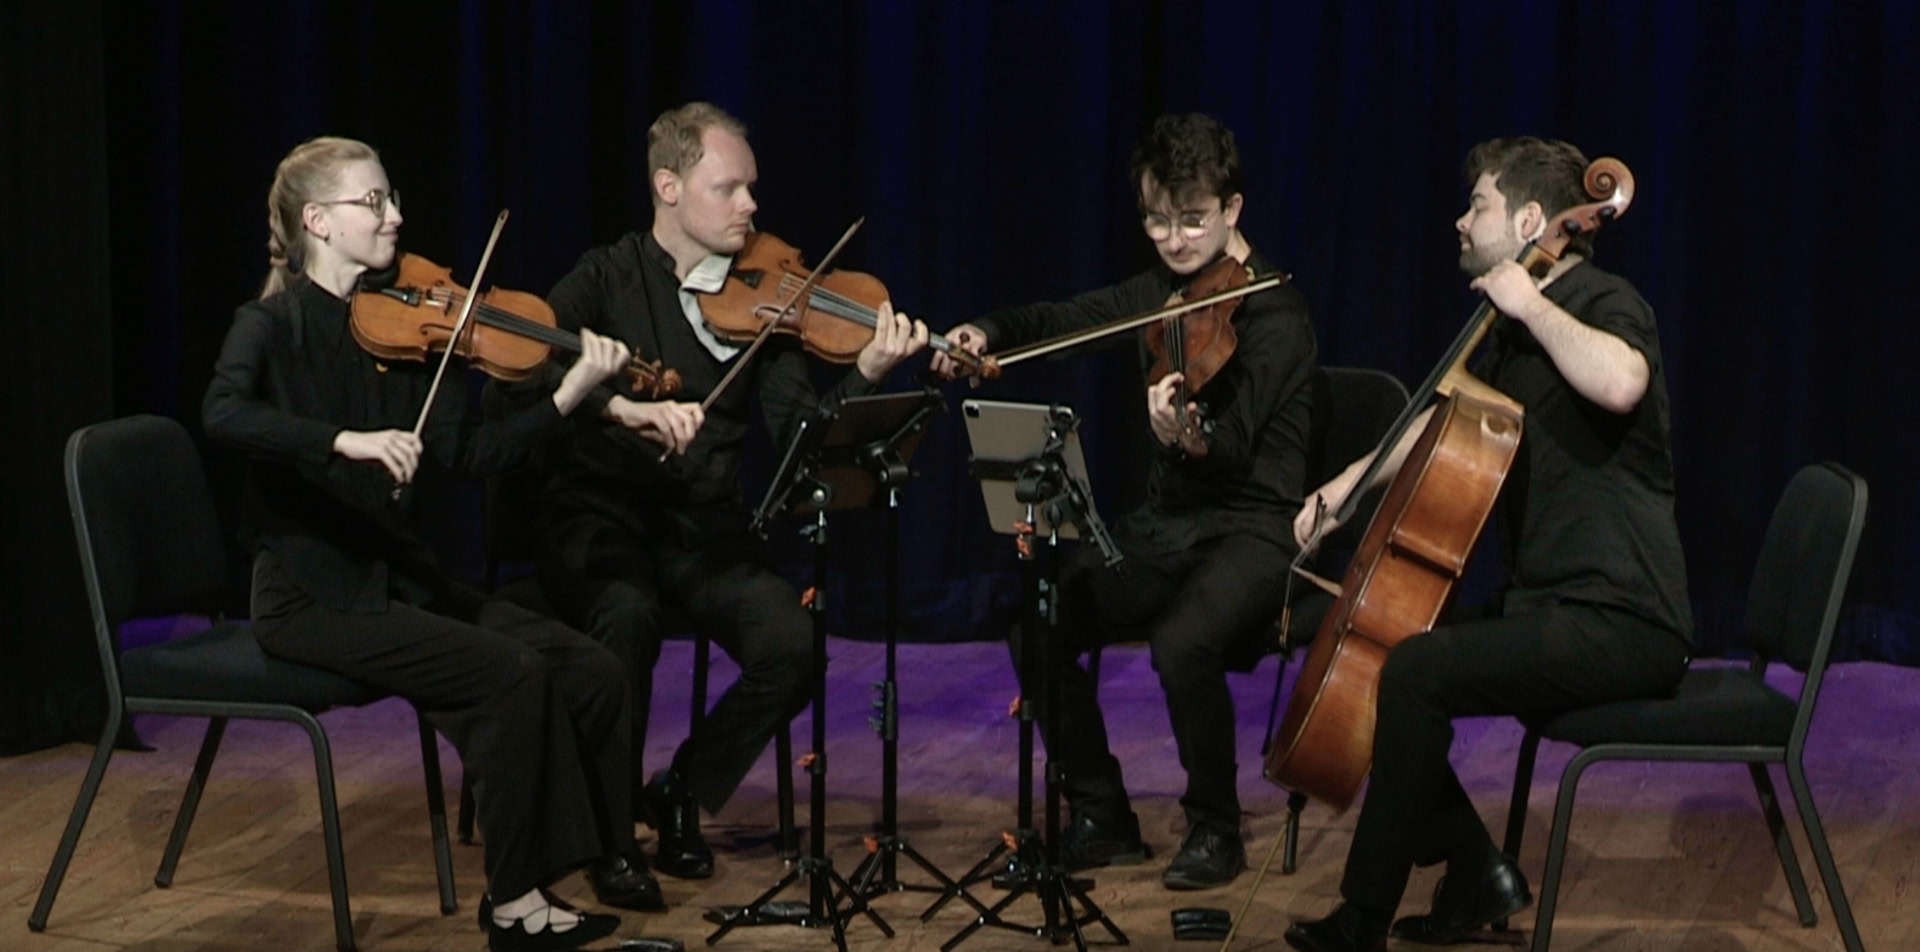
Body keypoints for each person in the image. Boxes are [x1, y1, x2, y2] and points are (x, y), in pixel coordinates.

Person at [203, 136, 664, 952]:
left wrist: (569, 395)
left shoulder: (413, 326)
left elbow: (474, 456)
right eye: (372, 202)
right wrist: (341, 440)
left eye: (392, 199)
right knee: (511, 674)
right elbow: (223, 414)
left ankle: (581, 864)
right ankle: (518, 908)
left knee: (589, 669)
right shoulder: (269, 325)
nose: (396, 217)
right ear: (317, 219)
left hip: (399, 583)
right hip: (312, 595)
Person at [1280, 137, 1693, 952]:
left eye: (1479, 204)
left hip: (1625, 620)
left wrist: (1533, 306)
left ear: (1534, 220)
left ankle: (1364, 920)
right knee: (1393, 664)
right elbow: (1440, 417)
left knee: (1414, 675)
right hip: (1550, 609)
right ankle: (1476, 870)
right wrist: (1347, 487)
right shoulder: (1499, 337)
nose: (1461, 220)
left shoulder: (1606, 300)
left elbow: (1622, 382)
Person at [511, 102, 929, 879]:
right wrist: (612, 402)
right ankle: (606, 832)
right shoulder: (604, 276)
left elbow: (806, 437)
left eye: (752, 188)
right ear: (668, 186)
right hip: (597, 523)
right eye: (729, 188)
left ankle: (679, 791)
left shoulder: (762, 305)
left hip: (702, 533)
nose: (751, 206)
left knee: (793, 645)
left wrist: (866, 372)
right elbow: (525, 356)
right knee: (626, 615)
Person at [932, 113, 1317, 890]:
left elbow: (1236, 445)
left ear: (1233, 209)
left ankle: (1215, 825)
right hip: (1169, 529)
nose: (1173, 239)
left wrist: (1184, 433)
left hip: (1256, 531)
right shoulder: (1160, 294)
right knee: (1038, 621)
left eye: (1192, 219)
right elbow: (1066, 321)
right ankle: (1102, 813)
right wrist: (987, 332)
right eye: (1157, 220)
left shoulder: (1277, 316)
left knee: (1182, 642)